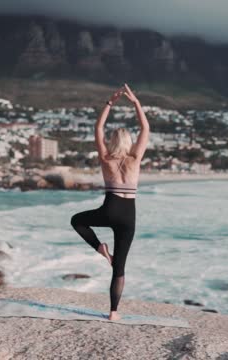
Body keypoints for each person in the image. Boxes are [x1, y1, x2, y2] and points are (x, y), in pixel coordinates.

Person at [70, 83, 150, 321]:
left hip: (109, 210)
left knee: (77, 220)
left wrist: (110, 103)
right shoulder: (135, 158)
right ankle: (113, 312)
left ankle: (99, 248)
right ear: (129, 142)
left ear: (113, 141)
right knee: (120, 268)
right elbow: (145, 127)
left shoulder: (105, 158)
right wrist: (135, 102)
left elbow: (98, 127)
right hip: (129, 215)